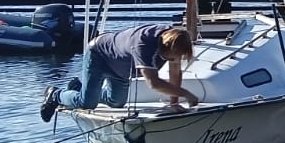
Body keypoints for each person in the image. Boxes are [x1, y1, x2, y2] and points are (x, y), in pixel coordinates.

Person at [41, 24, 198, 120]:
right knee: (87, 103)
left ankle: (79, 88)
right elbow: (153, 83)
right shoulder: (144, 45)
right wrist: (186, 94)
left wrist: (174, 103)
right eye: (175, 56)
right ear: (167, 46)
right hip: (99, 55)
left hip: (121, 69)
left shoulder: (173, 39)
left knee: (116, 103)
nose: (177, 59)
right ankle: (55, 94)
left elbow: (175, 73)